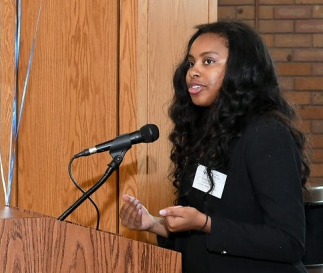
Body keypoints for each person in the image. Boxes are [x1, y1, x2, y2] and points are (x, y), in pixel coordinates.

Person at [119, 20, 310, 273]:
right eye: (191, 62)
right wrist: (153, 223)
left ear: (241, 69)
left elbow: (288, 242)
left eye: (208, 61)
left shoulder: (267, 134)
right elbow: (204, 229)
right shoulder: (207, 134)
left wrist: (206, 223)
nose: (193, 71)